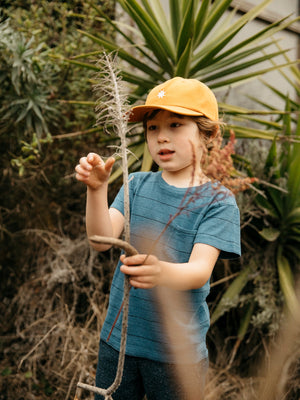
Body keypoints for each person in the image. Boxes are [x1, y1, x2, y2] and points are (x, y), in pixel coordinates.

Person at [75, 77, 241, 400]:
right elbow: (100, 239)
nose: (161, 136)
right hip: (118, 342)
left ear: (208, 134)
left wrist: (160, 272)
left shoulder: (217, 202)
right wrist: (96, 190)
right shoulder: (136, 184)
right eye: (153, 128)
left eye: (176, 124)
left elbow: (198, 272)